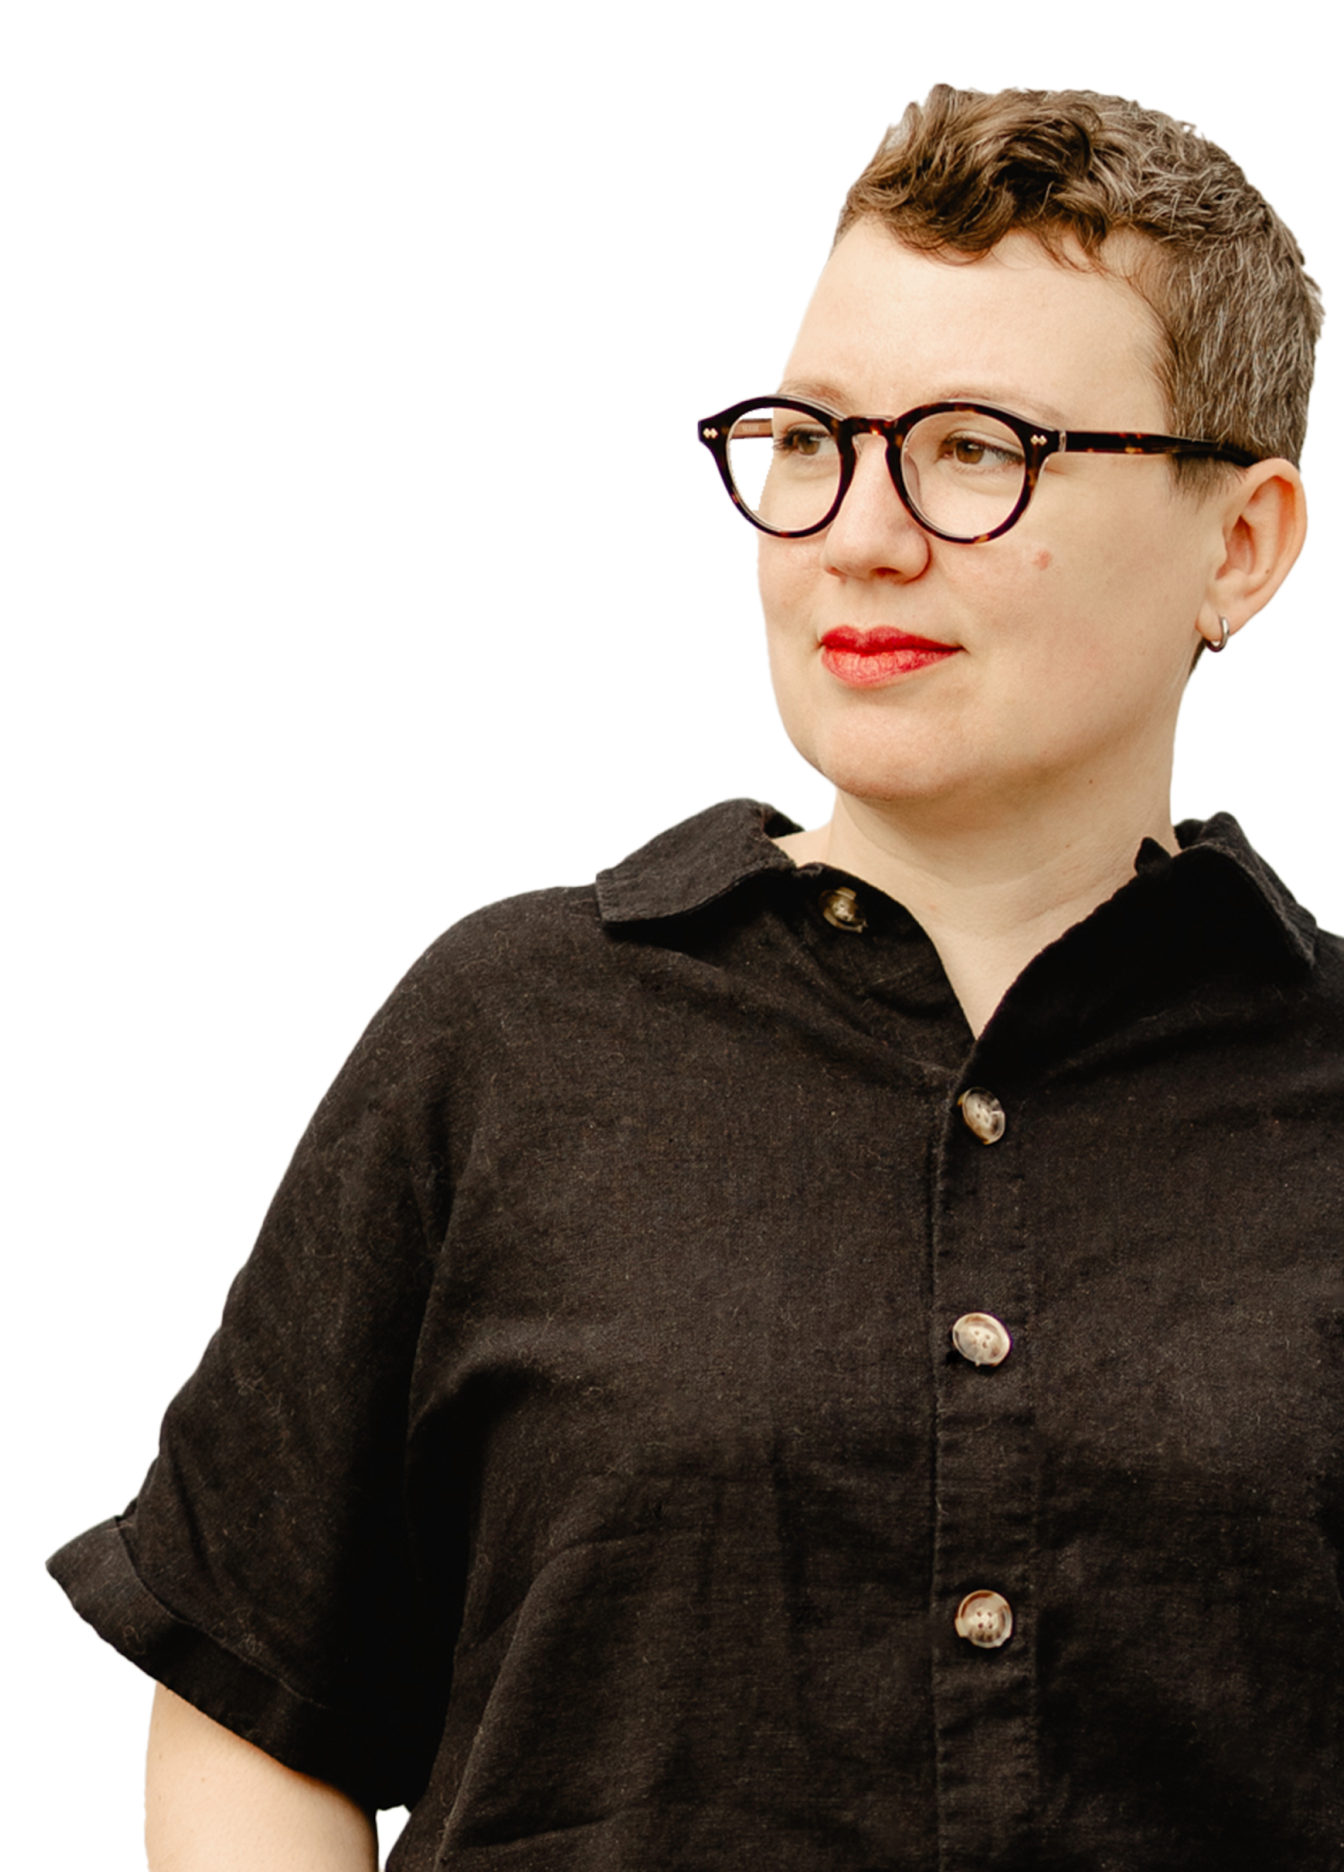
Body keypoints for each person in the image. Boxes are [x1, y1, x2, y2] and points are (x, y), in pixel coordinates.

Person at [49, 83, 1336, 1870]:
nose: (859, 532)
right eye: (811, 439)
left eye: (978, 449)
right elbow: (257, 1704)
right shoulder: (512, 1037)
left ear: (1241, 544)